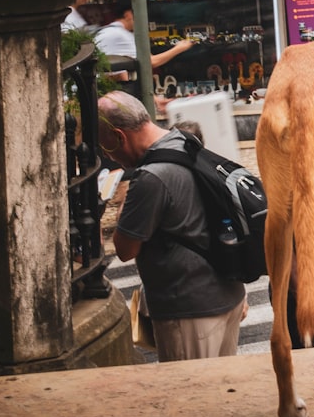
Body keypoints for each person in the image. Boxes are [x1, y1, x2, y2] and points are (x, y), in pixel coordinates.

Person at [98, 90, 247, 361]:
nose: (112, 157)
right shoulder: (185, 141)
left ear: (120, 136)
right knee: (221, 393)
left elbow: (125, 248)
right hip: (227, 296)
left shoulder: (150, 177)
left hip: (190, 310)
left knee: (192, 399)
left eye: (107, 148)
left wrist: (122, 206)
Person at [94, 0, 195, 71]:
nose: (144, 21)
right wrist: (179, 48)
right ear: (128, 15)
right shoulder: (120, 34)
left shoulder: (113, 31)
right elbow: (150, 62)